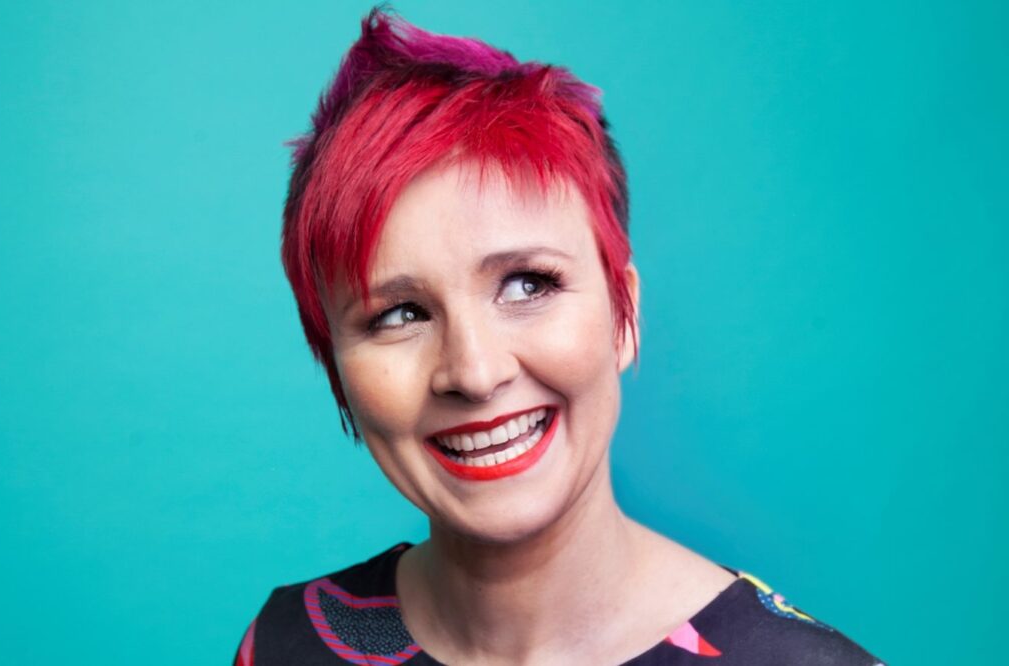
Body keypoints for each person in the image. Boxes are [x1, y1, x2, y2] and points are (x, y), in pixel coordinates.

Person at [235, 9, 882, 665]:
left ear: (624, 315)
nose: (475, 371)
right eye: (400, 314)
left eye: (528, 285)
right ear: (335, 364)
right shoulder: (285, 644)